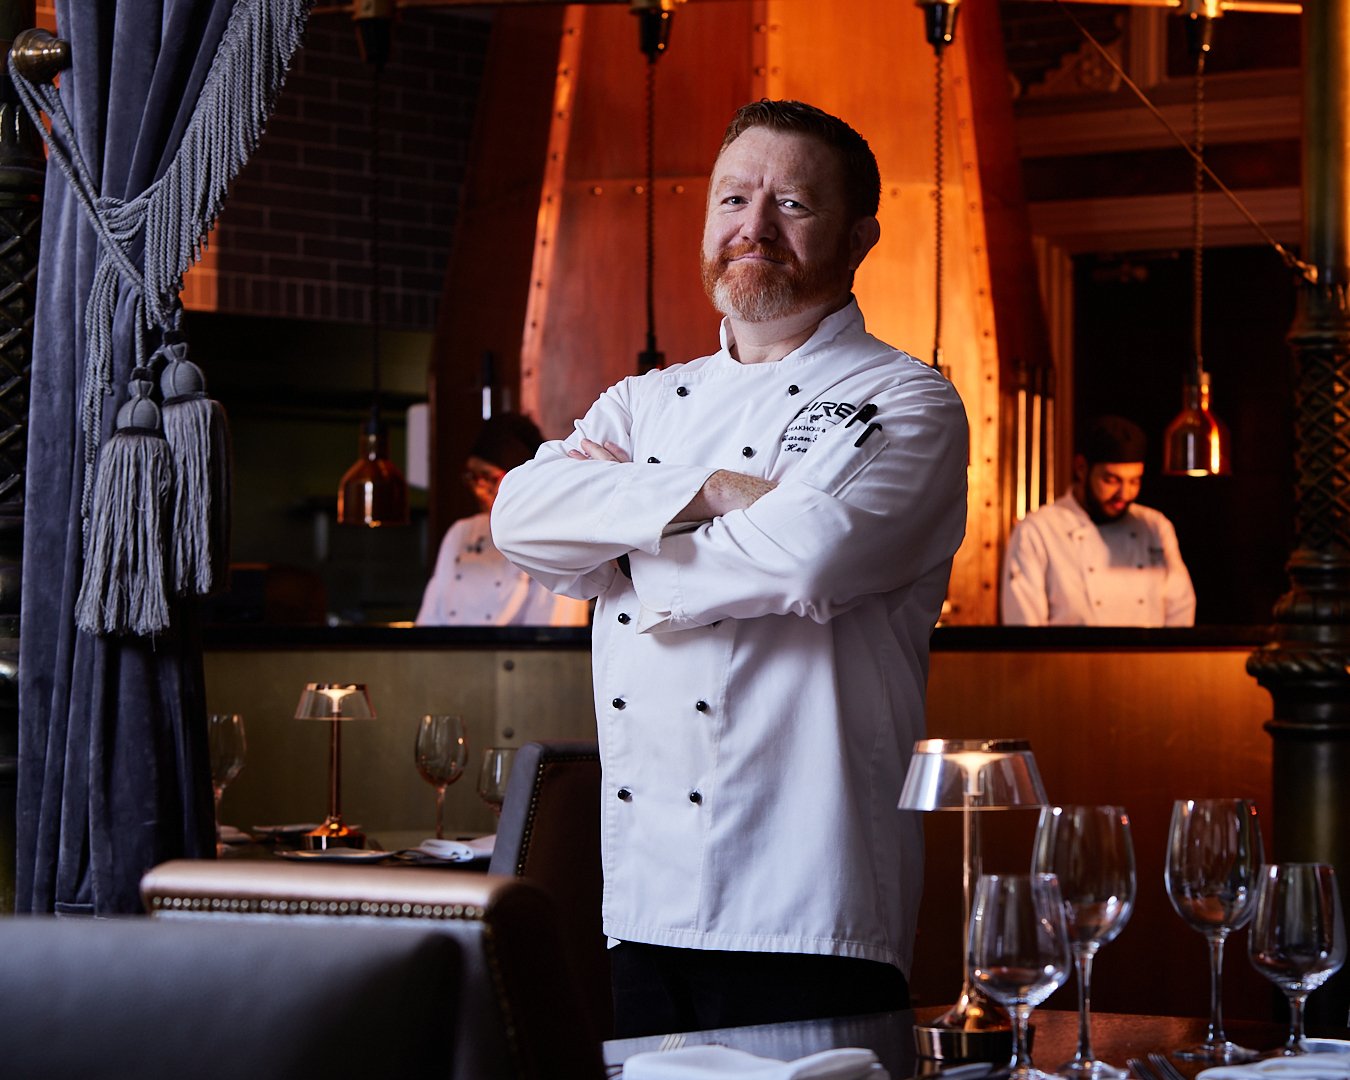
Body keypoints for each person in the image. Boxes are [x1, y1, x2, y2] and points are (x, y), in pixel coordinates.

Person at [491, 99, 969, 1037]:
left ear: (859, 238)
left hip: (813, 902)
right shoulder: (644, 402)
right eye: (733, 199)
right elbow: (520, 516)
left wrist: (623, 543)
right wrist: (708, 489)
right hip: (643, 902)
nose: (754, 228)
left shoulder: (906, 400)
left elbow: (807, 556)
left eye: (792, 203)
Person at [1000, 415, 1195, 626]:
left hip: (1148, 650)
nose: (1124, 494)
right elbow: (1024, 625)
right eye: (1111, 480)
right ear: (1081, 468)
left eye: (1134, 481)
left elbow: (1180, 609)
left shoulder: (1154, 525)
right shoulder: (1038, 530)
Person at [416, 413, 590, 627]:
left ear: (517, 479)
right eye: (472, 476)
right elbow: (429, 618)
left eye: (488, 477)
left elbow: (549, 633)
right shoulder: (462, 532)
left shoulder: (553, 537)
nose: (478, 489)